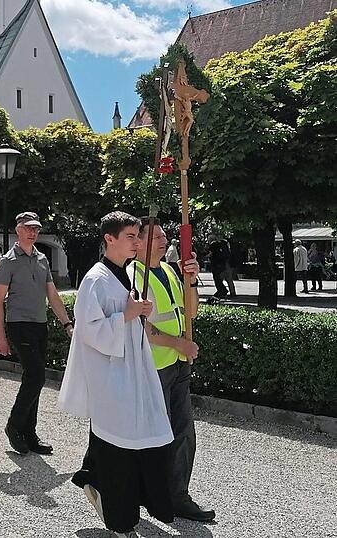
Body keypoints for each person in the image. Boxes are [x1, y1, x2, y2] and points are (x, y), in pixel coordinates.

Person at [59, 211, 175, 538]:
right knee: (118, 450)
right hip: (110, 374)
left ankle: (99, 483)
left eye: (139, 236)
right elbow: (89, 331)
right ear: (110, 238)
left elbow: (129, 319)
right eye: (131, 236)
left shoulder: (125, 274)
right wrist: (127, 314)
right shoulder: (96, 279)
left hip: (132, 369)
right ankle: (120, 519)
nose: (138, 242)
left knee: (139, 439)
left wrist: (138, 313)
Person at [132, 218, 215, 523]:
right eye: (156, 237)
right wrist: (178, 344)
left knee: (183, 432)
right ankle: (149, 491)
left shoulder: (168, 270)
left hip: (177, 365)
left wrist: (191, 280)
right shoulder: (133, 275)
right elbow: (140, 324)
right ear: (137, 242)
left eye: (165, 236)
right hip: (154, 366)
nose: (163, 241)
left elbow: (189, 311)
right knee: (157, 435)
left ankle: (176, 495)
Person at [0, 211, 74, 454]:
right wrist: (1, 336)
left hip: (39, 324)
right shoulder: (8, 261)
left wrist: (67, 323)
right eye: (28, 228)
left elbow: (52, 294)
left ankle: (29, 433)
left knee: (34, 378)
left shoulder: (42, 259)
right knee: (37, 376)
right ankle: (14, 426)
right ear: (18, 229)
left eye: (36, 228)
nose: (33, 232)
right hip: (19, 324)